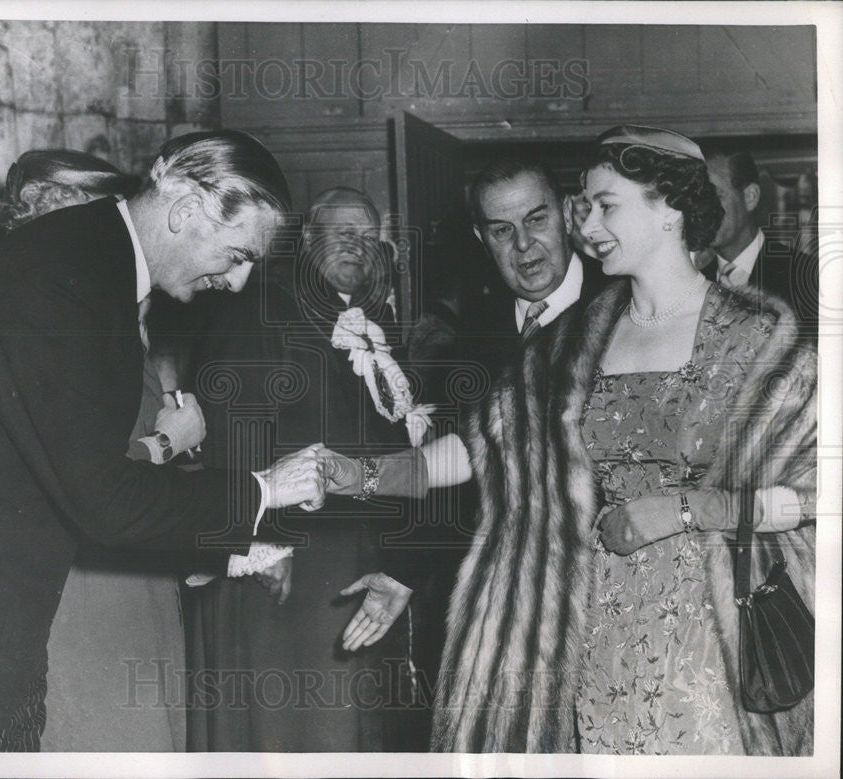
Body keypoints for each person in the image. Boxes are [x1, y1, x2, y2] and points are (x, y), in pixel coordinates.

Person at [322, 126, 817, 755]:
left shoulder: (759, 339)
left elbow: (818, 494)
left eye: (605, 206)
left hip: (713, 639)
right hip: (589, 635)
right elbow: (486, 451)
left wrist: (688, 510)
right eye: (584, 207)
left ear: (668, 211)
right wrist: (357, 475)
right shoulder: (576, 337)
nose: (588, 226)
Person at [0, 130, 329, 752]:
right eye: (237, 256)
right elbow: (108, 502)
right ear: (185, 211)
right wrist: (265, 490)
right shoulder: (68, 278)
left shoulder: (91, 262)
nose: (236, 283)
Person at [184, 187, 434, 751]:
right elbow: (234, 421)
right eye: (341, 232)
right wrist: (264, 543)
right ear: (306, 240)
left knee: (350, 729)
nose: (356, 246)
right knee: (297, 728)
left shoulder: (372, 323)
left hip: (356, 555)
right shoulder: (262, 304)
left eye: (368, 238)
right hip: (292, 555)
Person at [0, 148, 208, 750]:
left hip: (131, 576)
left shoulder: (108, 315)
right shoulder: (50, 325)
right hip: (82, 587)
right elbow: (69, 482)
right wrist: (170, 440)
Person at [463, 157, 606, 373]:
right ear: (482, 239)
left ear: (566, 215)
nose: (522, 243)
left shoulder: (628, 302)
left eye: (536, 220)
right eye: (502, 230)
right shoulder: (471, 335)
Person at [701, 146, 819, 342]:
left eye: (714, 195)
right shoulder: (694, 282)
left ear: (750, 197)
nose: (702, 210)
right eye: (697, 198)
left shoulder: (807, 276)